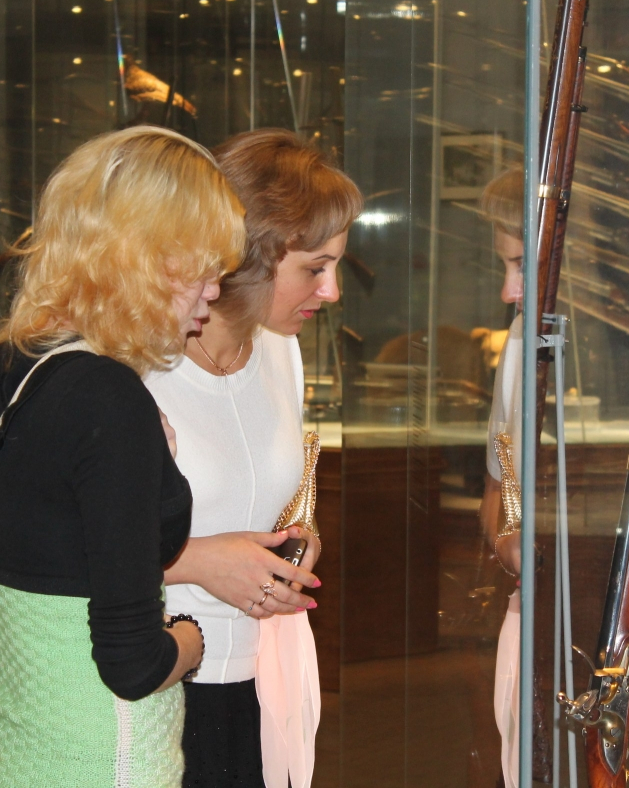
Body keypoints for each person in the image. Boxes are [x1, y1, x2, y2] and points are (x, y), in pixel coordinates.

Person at [0, 126, 245, 787]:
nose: (213, 291)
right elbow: (133, 664)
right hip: (106, 760)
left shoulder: (0, 371)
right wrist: (192, 636)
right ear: (142, 259)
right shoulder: (111, 401)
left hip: (9, 755)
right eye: (203, 268)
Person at [145, 128, 360, 788]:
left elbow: (269, 494)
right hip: (155, 675)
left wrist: (293, 544)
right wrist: (197, 560)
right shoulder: (137, 360)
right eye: (315, 268)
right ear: (253, 255)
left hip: (259, 676)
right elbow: (53, 540)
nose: (332, 290)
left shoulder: (279, 349)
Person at [475, 168, 526, 788]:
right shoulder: (519, 340)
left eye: (522, 266)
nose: (509, 291)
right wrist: (510, 542)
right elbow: (496, 491)